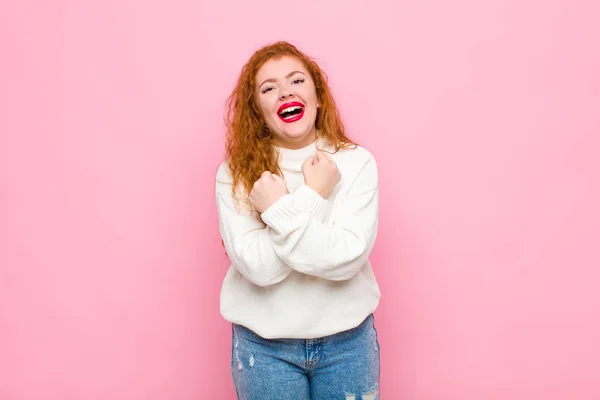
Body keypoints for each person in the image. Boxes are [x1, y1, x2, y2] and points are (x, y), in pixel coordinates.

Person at [215, 41, 381, 400]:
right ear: (257, 111)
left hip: (348, 345)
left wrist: (276, 211)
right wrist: (313, 195)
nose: (285, 92)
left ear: (317, 97)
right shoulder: (234, 174)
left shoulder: (356, 163)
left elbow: (346, 259)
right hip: (264, 349)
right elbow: (259, 269)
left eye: (296, 81)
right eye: (269, 88)